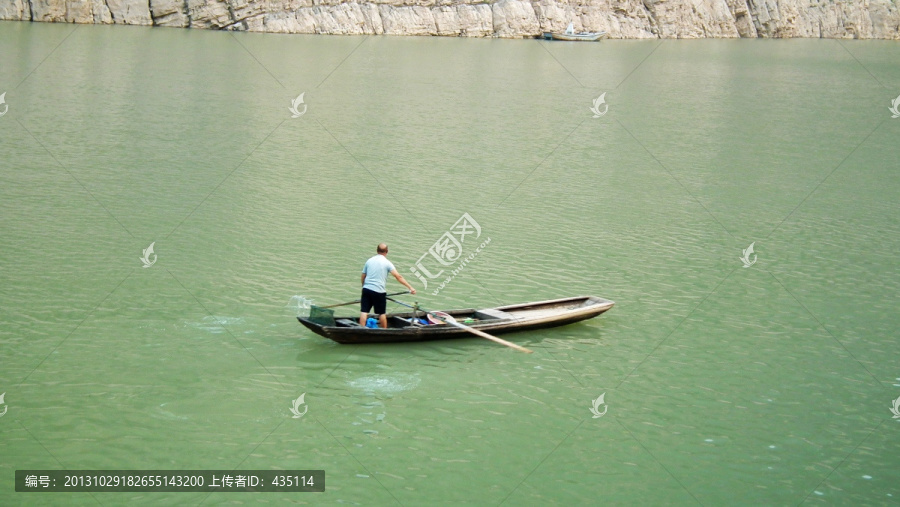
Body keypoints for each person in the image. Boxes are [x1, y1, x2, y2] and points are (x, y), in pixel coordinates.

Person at [360, 243, 416, 328]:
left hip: (366, 289)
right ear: (387, 251)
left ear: (377, 250)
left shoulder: (369, 261)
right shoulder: (387, 263)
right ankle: (384, 331)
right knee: (381, 313)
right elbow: (398, 276)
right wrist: (410, 287)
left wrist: (364, 286)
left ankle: (361, 330)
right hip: (378, 291)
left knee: (364, 311)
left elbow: (363, 276)